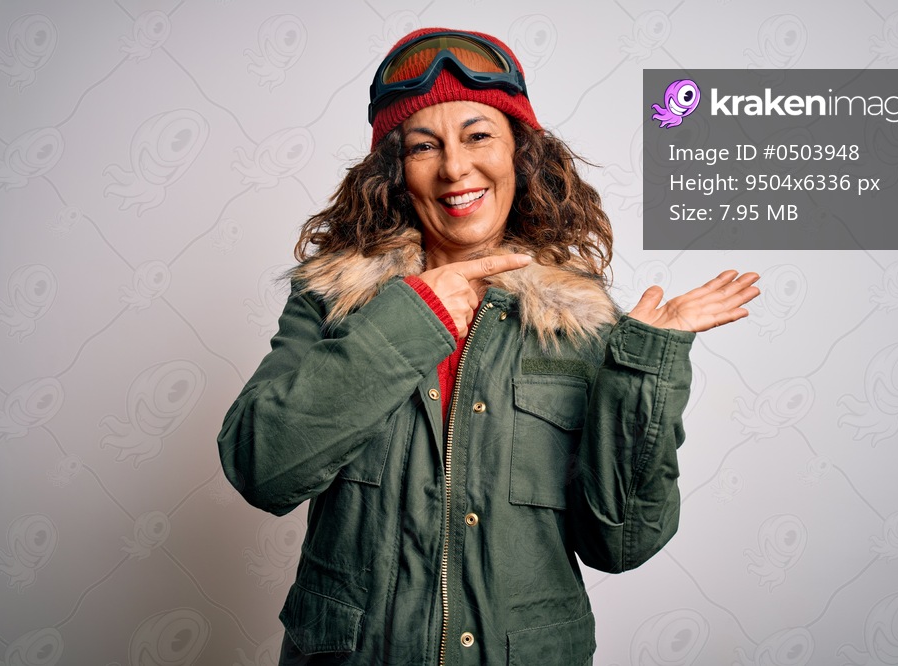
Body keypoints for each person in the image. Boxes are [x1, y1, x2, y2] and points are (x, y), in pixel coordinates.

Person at [218, 28, 759, 666]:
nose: (454, 168)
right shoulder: (331, 299)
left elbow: (622, 544)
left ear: (520, 157)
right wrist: (411, 317)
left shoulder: (579, 324)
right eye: (425, 146)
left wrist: (644, 370)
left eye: (478, 136)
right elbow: (261, 468)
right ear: (394, 173)